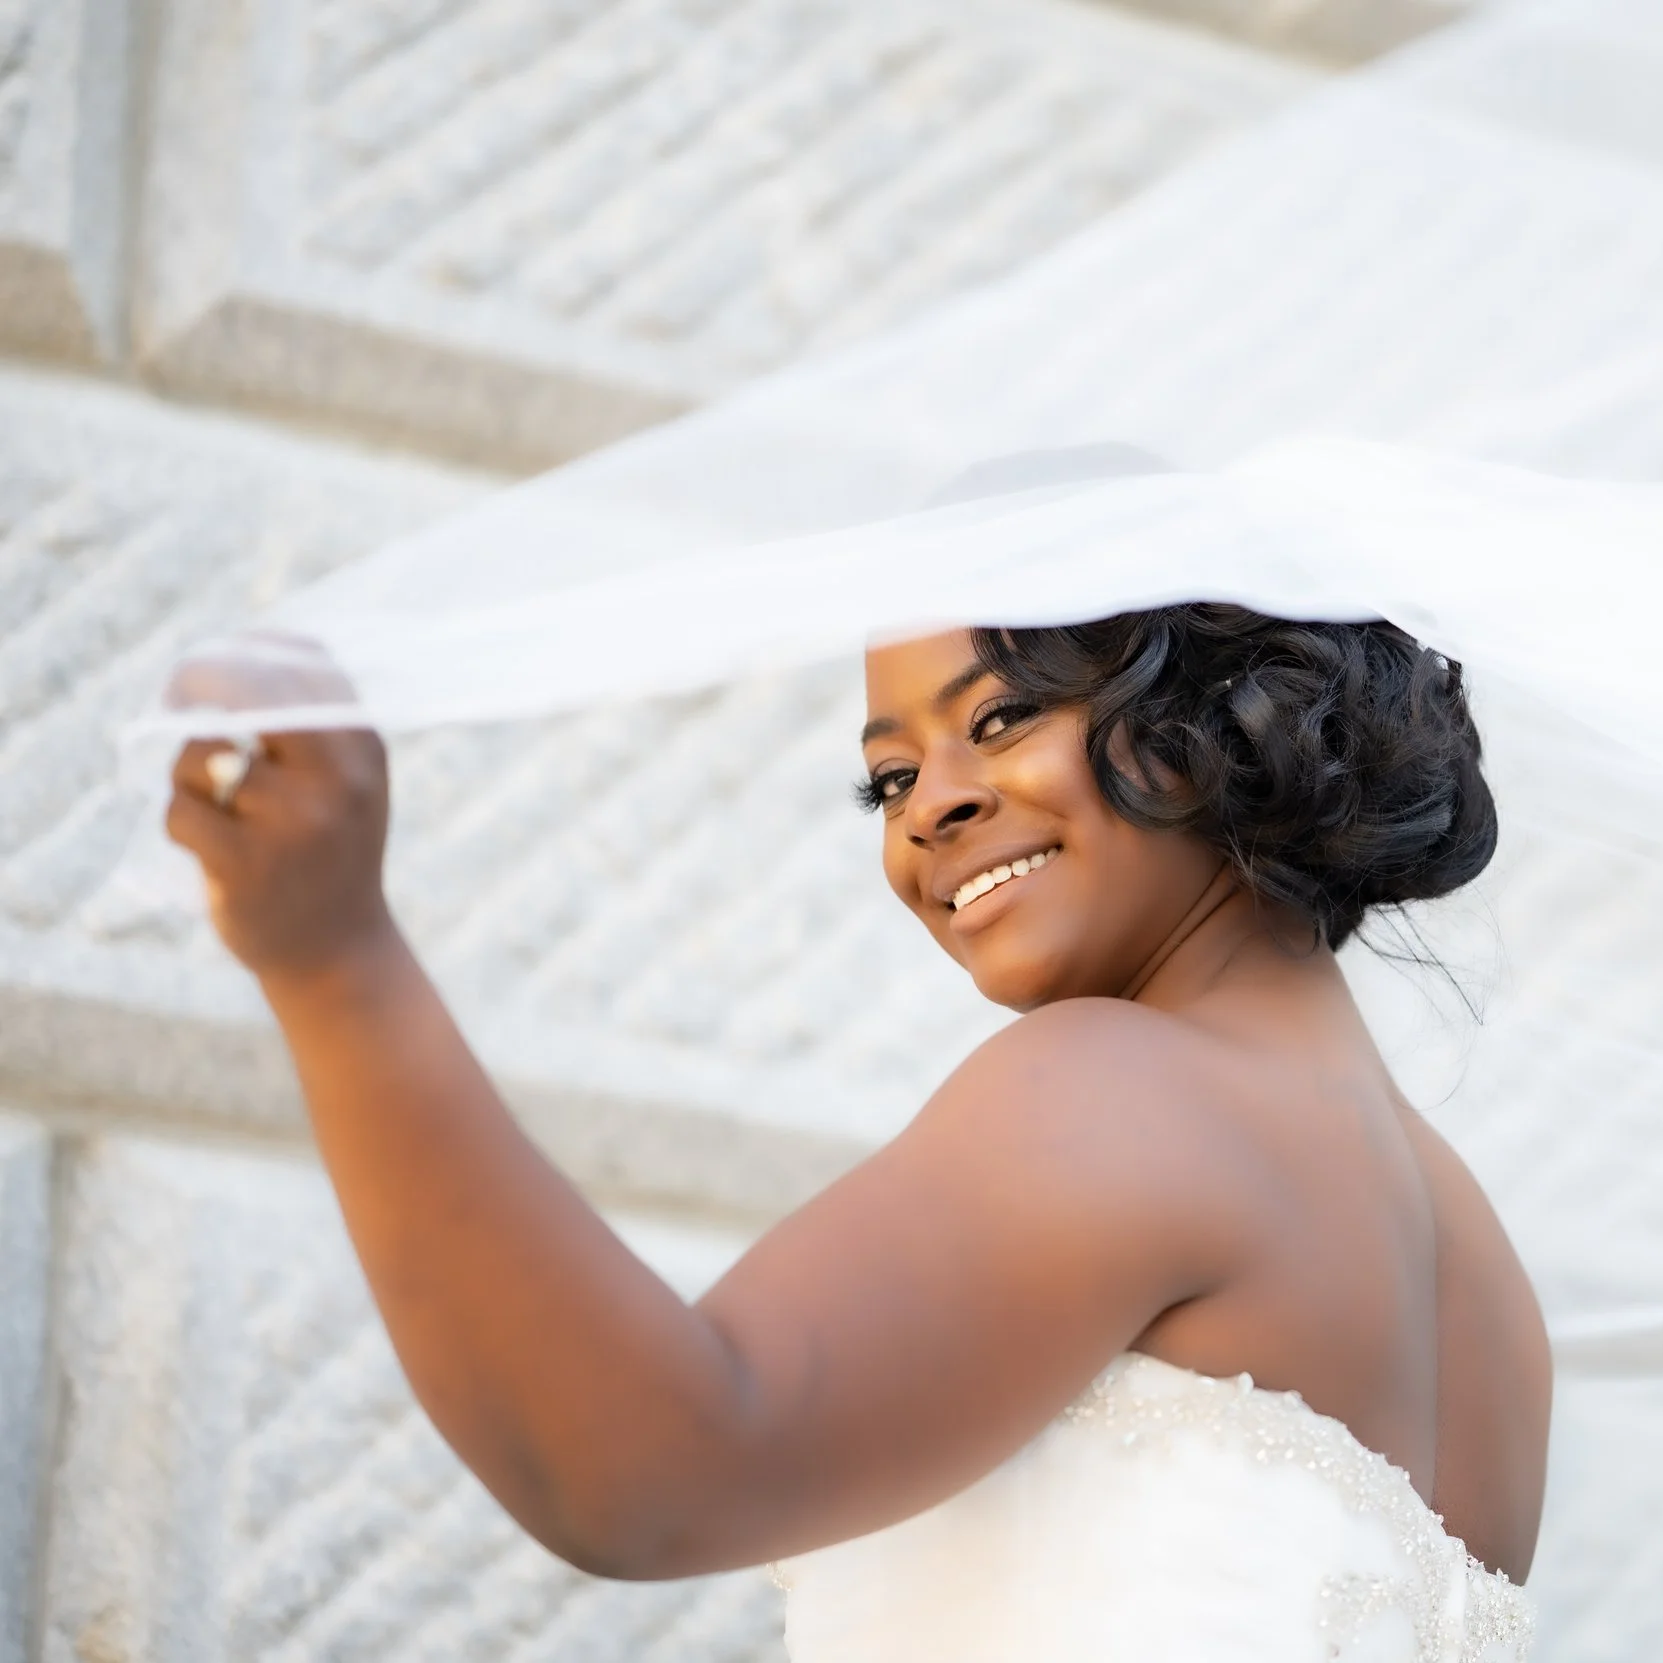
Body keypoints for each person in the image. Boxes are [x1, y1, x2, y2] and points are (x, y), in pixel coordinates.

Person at [164, 603, 1550, 1661]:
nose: (933, 805)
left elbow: (651, 1465)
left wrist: (334, 960)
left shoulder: (1123, 1084)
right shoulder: (1484, 1282)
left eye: (1000, 718)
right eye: (889, 778)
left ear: (1227, 716)